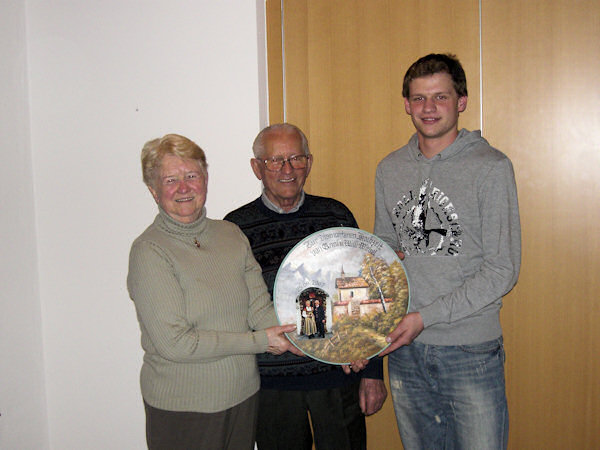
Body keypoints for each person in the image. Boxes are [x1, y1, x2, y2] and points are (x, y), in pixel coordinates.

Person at [374, 54, 521, 449]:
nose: (428, 108)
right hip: (406, 348)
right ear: (406, 104)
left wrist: (426, 317)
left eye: (440, 97)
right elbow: (384, 247)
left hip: (469, 349)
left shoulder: (490, 167)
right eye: (419, 98)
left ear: (462, 101)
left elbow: (502, 270)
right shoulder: (389, 169)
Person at [127, 133, 300, 450]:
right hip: (184, 410)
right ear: (153, 190)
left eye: (192, 176)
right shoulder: (150, 251)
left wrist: (307, 338)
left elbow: (258, 308)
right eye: (170, 180)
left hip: (243, 398)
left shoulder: (230, 234)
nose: (183, 187)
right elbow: (176, 343)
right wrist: (262, 341)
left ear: (205, 179)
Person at [224, 123, 387, 450]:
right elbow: (232, 309)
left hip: (338, 377)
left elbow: (367, 296)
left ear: (309, 163)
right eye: (275, 161)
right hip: (272, 384)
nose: (287, 170)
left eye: (296, 158)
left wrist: (373, 372)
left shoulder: (336, 216)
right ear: (257, 167)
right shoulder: (234, 230)